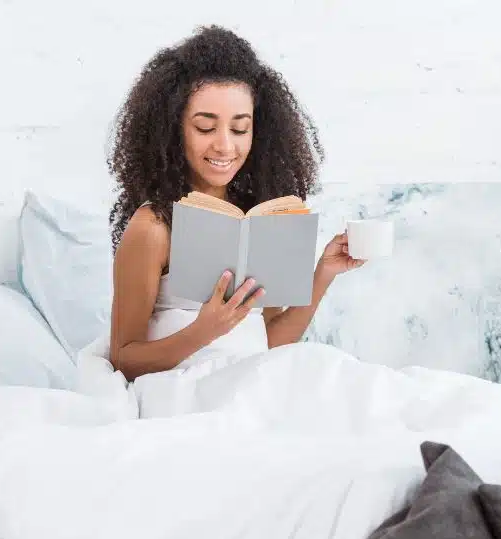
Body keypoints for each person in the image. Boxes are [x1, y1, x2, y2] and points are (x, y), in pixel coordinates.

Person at [105, 25, 362, 381]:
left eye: (240, 128)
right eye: (205, 128)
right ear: (173, 129)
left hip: (252, 389)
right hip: (186, 394)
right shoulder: (153, 228)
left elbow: (271, 342)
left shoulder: (261, 220)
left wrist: (324, 274)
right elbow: (123, 359)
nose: (225, 146)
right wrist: (203, 331)